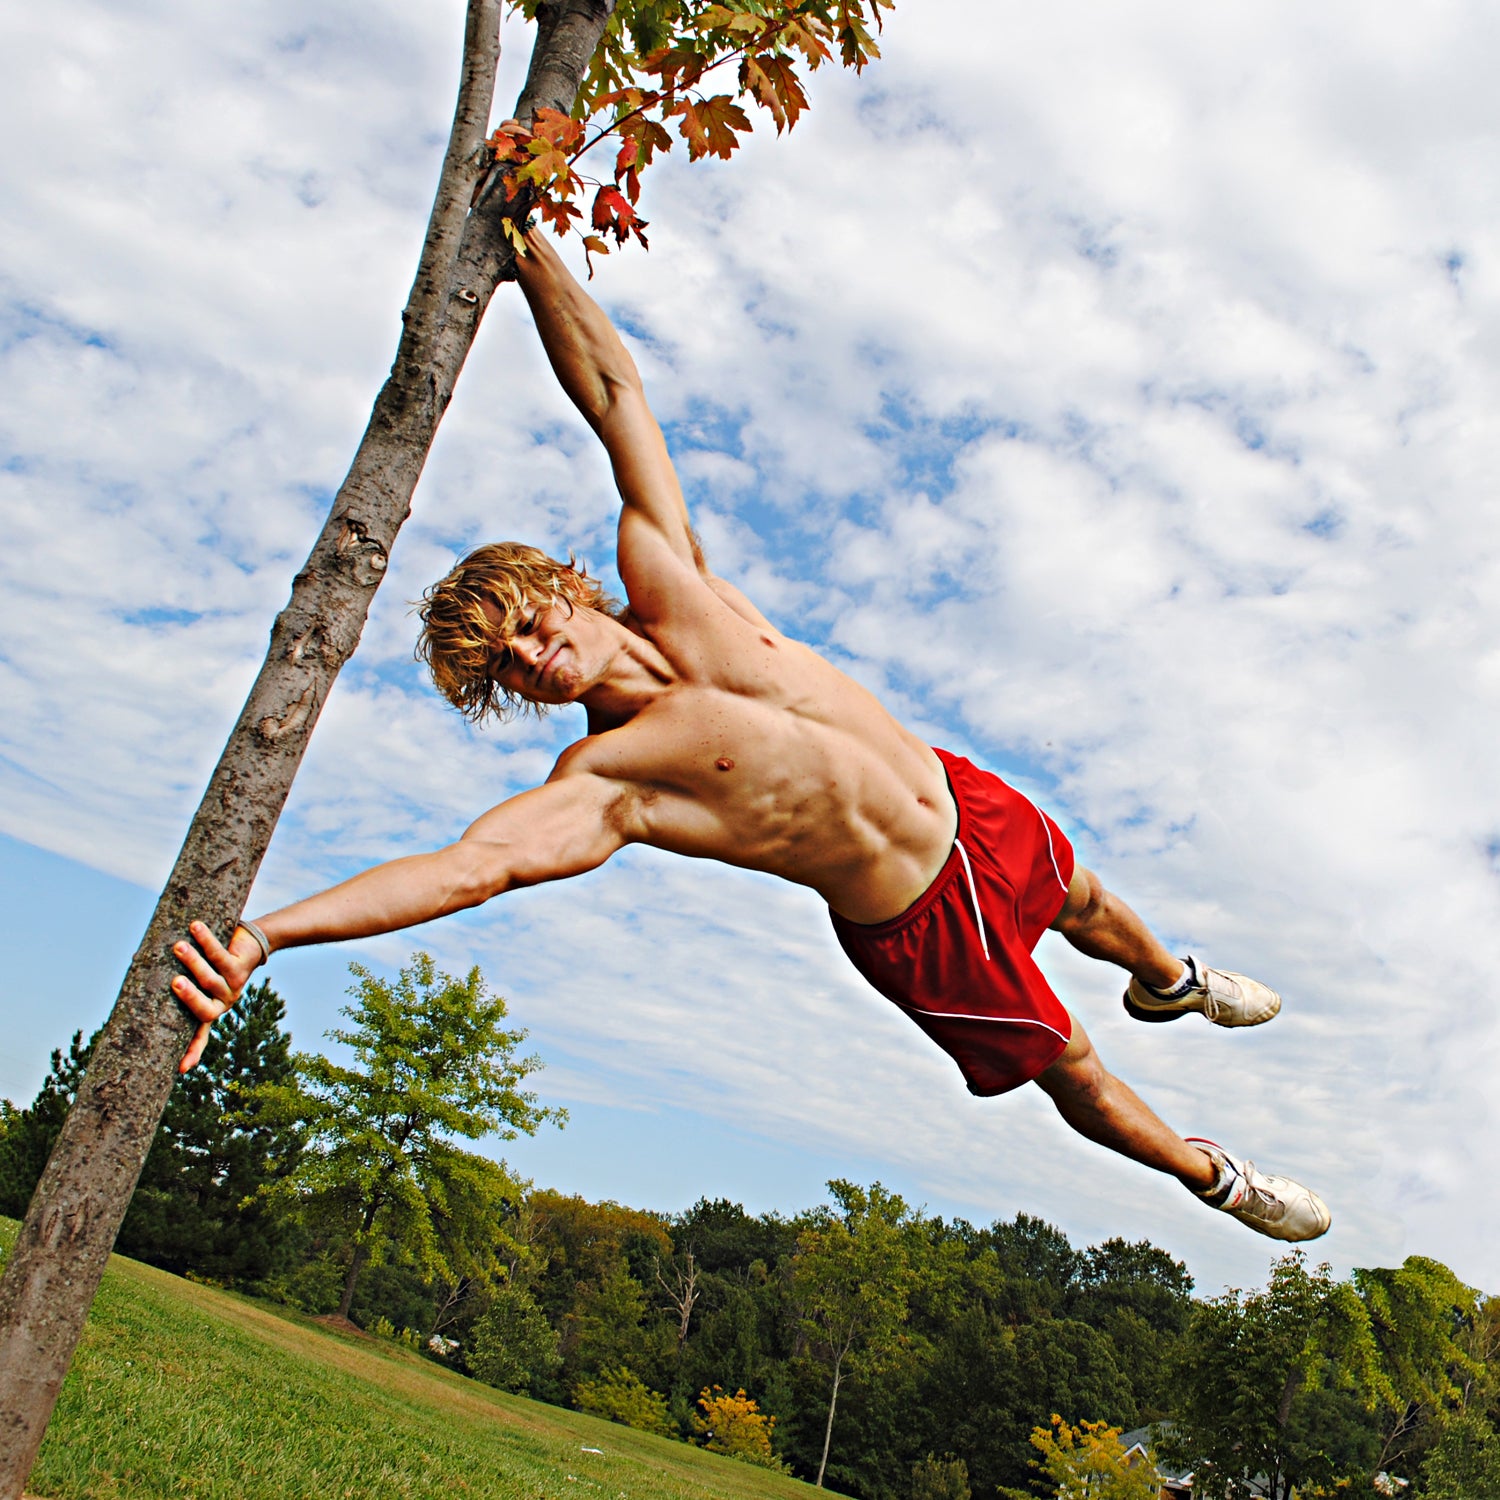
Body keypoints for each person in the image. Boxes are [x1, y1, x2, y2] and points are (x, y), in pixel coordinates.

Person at [174, 221, 1330, 1243]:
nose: (533, 654)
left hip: (962, 799)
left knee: (1084, 899)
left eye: (527, 623)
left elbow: (616, 397)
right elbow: (472, 869)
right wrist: (268, 936)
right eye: (509, 667)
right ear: (513, 696)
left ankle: (1173, 981)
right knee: (1068, 1062)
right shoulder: (611, 776)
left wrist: (529, 253)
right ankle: (1211, 1176)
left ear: (563, 587)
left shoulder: (668, 574)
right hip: (917, 917)